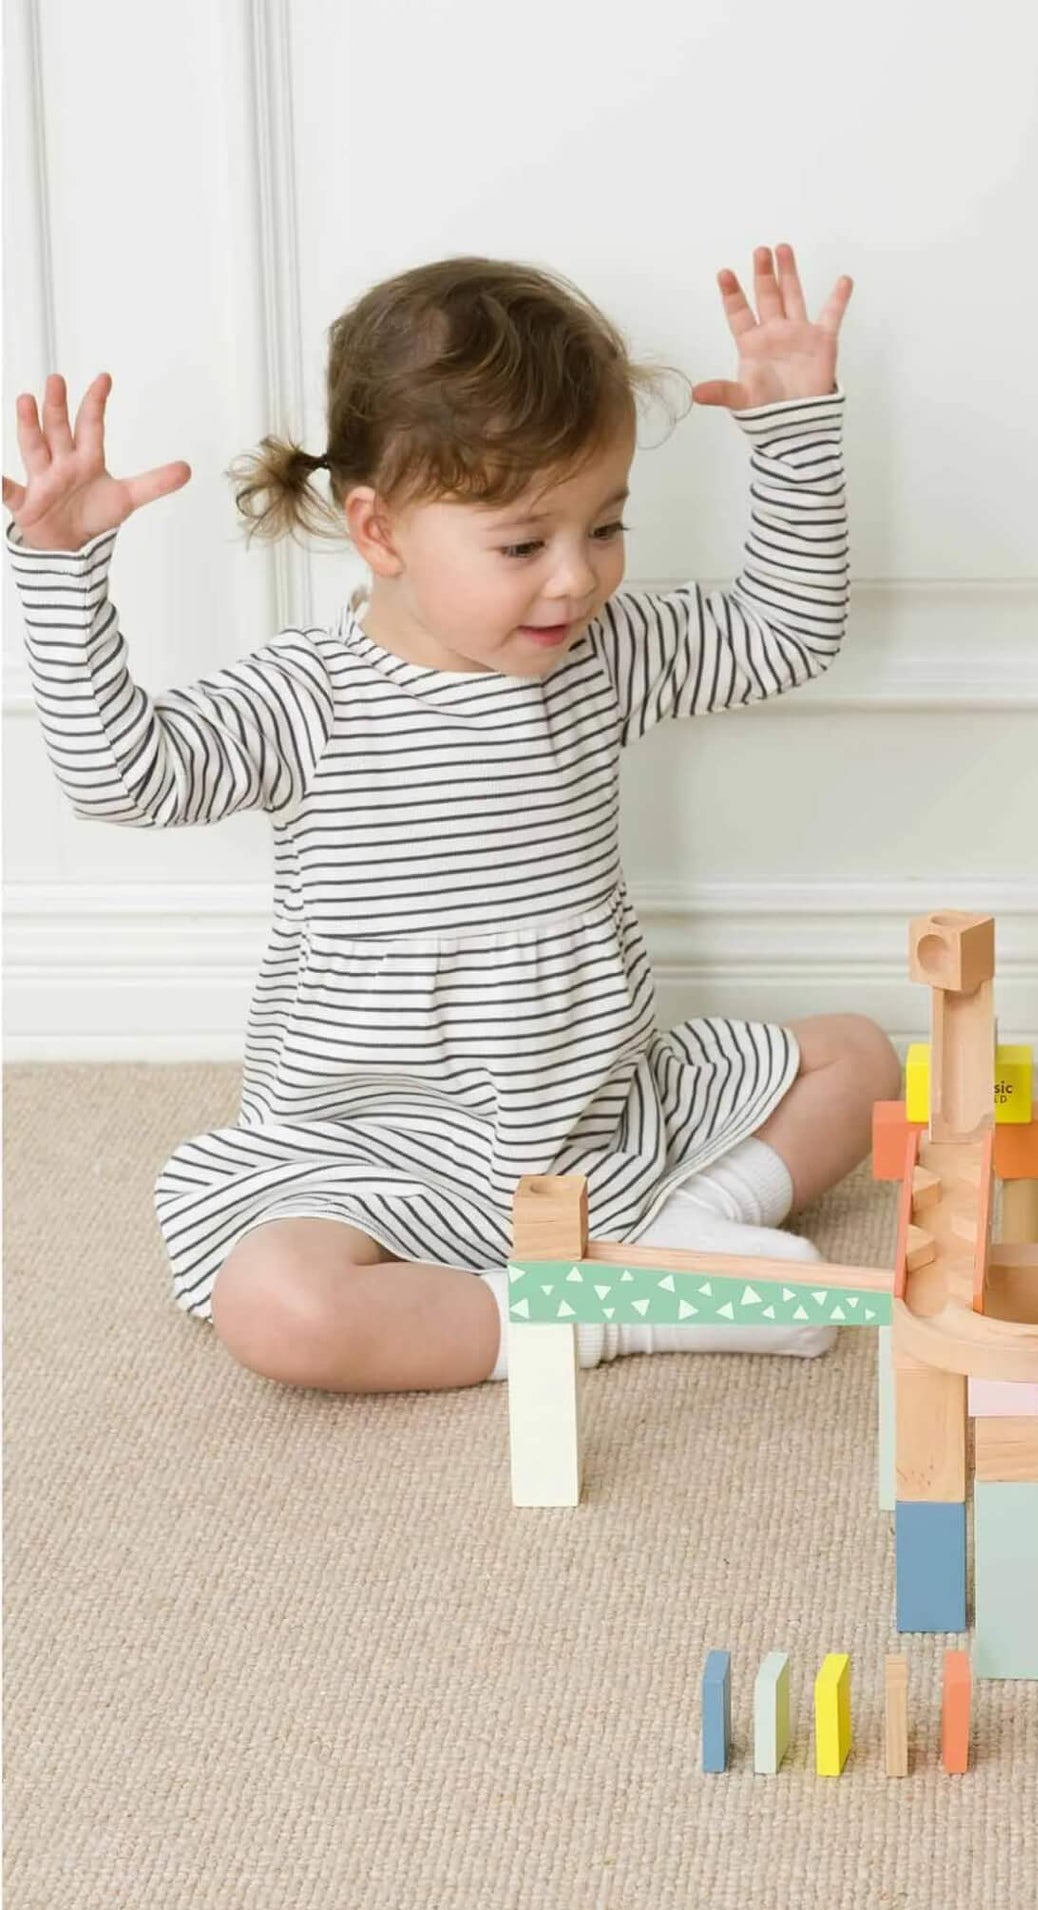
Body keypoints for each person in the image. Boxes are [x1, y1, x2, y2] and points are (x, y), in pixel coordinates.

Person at [2, 245, 899, 1394]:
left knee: (863, 1058)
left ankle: (680, 1235)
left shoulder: (603, 657)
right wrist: (60, 570)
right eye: (523, 544)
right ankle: (603, 1315)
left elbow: (786, 630)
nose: (575, 580)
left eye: (606, 526)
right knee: (277, 1304)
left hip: (595, 1122)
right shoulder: (306, 697)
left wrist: (794, 431)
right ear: (379, 533)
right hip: (376, 1158)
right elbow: (119, 775)